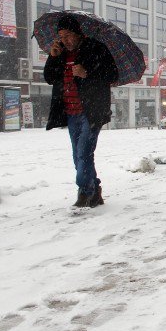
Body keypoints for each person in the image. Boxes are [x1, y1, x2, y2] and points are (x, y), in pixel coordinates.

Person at [44, 15, 118, 208]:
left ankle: (85, 192)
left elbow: (112, 74)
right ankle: (95, 190)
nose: (65, 40)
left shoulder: (95, 48)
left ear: (78, 33)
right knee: (79, 155)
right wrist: (52, 58)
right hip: (70, 112)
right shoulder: (59, 52)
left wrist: (87, 73)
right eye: (61, 36)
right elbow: (49, 78)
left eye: (68, 35)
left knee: (84, 153)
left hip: (91, 111)